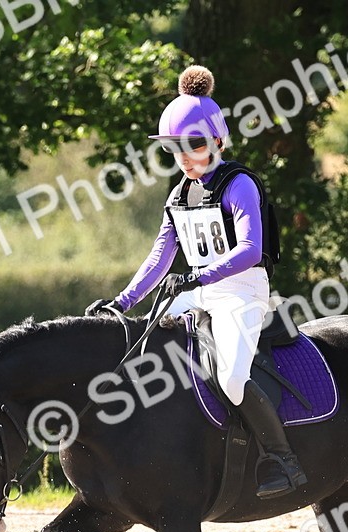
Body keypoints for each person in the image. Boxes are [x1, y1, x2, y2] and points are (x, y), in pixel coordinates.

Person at [85, 65, 307, 499]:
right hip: (200, 290)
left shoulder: (238, 184)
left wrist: (197, 277)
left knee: (231, 379)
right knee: (140, 343)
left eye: (195, 146)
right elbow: (160, 255)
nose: (186, 157)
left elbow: (250, 250)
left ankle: (283, 458)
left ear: (218, 141)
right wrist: (123, 301)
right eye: (176, 150)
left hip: (242, 291)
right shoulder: (179, 195)